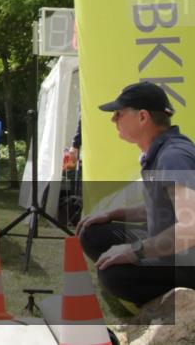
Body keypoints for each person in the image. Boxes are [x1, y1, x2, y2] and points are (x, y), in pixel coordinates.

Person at [77, 82, 195, 307]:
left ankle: (179, 305)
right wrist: (114, 213)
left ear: (142, 117)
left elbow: (190, 226)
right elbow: (164, 208)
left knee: (115, 275)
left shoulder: (173, 156)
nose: (114, 120)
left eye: (119, 114)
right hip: (174, 247)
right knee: (92, 233)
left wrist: (136, 251)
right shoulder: (160, 151)